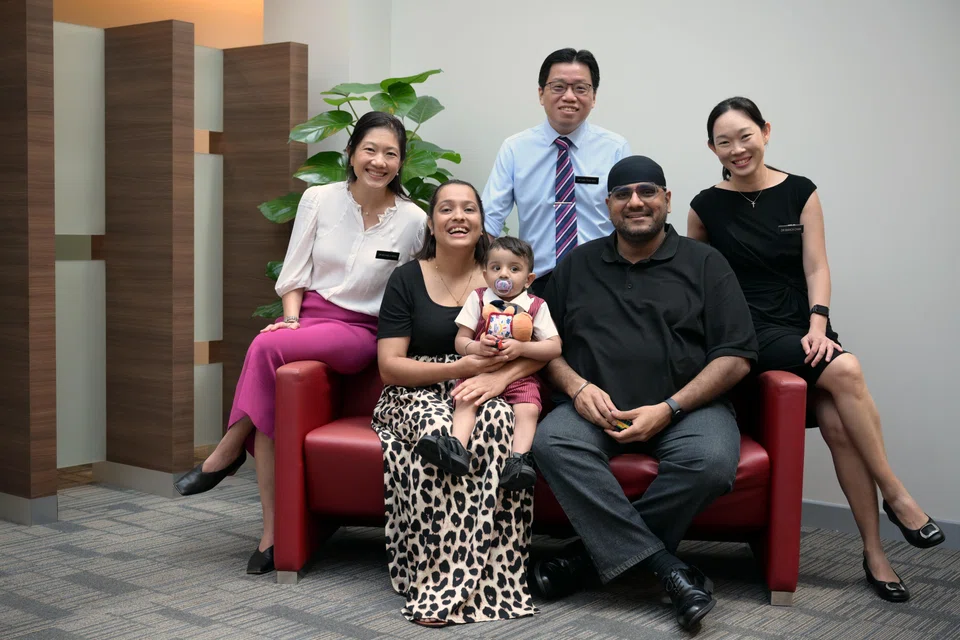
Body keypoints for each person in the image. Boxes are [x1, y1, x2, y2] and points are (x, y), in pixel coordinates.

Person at [687, 96, 945, 603]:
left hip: (804, 323)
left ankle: (875, 554)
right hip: (751, 329)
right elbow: (705, 284)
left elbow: (816, 267)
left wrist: (818, 322)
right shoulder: (704, 207)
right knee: (846, 370)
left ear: (766, 131)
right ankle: (897, 494)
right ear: (711, 147)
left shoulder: (801, 191)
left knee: (838, 428)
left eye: (746, 135)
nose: (737, 149)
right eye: (724, 142)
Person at [173, 112, 427, 575]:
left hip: (361, 332)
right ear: (351, 153)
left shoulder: (413, 220)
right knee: (272, 373)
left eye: (391, 153)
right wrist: (291, 321)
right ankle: (272, 535)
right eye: (370, 149)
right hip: (307, 318)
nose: (379, 161)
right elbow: (294, 274)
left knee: (265, 347)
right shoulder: (318, 199)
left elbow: (414, 291)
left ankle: (227, 450)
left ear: (401, 163)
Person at [531, 155, 759, 631]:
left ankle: (584, 562)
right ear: (608, 204)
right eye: (623, 194)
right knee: (552, 443)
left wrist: (671, 407)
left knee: (712, 462)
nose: (636, 202)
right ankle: (669, 570)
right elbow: (541, 344)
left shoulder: (706, 262)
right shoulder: (577, 264)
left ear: (667, 200)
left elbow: (736, 355)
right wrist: (576, 386)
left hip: (687, 409)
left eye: (648, 191)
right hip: (595, 410)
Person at [373, 180, 542, 626]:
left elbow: (538, 352)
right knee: (442, 437)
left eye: (469, 208)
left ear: (483, 222)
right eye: (446, 208)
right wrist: (459, 371)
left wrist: (495, 378)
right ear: (431, 222)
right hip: (414, 391)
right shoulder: (407, 278)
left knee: (497, 424)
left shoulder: (504, 279)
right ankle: (440, 584)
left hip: (484, 384)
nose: (458, 216)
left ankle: (491, 580)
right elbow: (390, 367)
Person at [415, 236, 561, 491]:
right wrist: (476, 347)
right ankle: (455, 447)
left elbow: (554, 346)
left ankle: (519, 460)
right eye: (496, 268)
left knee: (528, 408)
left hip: (519, 377)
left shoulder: (536, 306)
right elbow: (461, 340)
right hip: (479, 369)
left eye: (514, 269)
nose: (504, 274)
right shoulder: (479, 298)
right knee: (465, 398)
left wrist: (523, 347)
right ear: (486, 274)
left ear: (528, 279)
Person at [482, 48, 631, 296]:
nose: (569, 96)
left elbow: (628, 218)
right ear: (541, 94)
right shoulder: (515, 148)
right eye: (559, 87)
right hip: (535, 283)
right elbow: (489, 220)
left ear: (593, 97)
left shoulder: (615, 148)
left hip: (603, 281)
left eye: (581, 88)